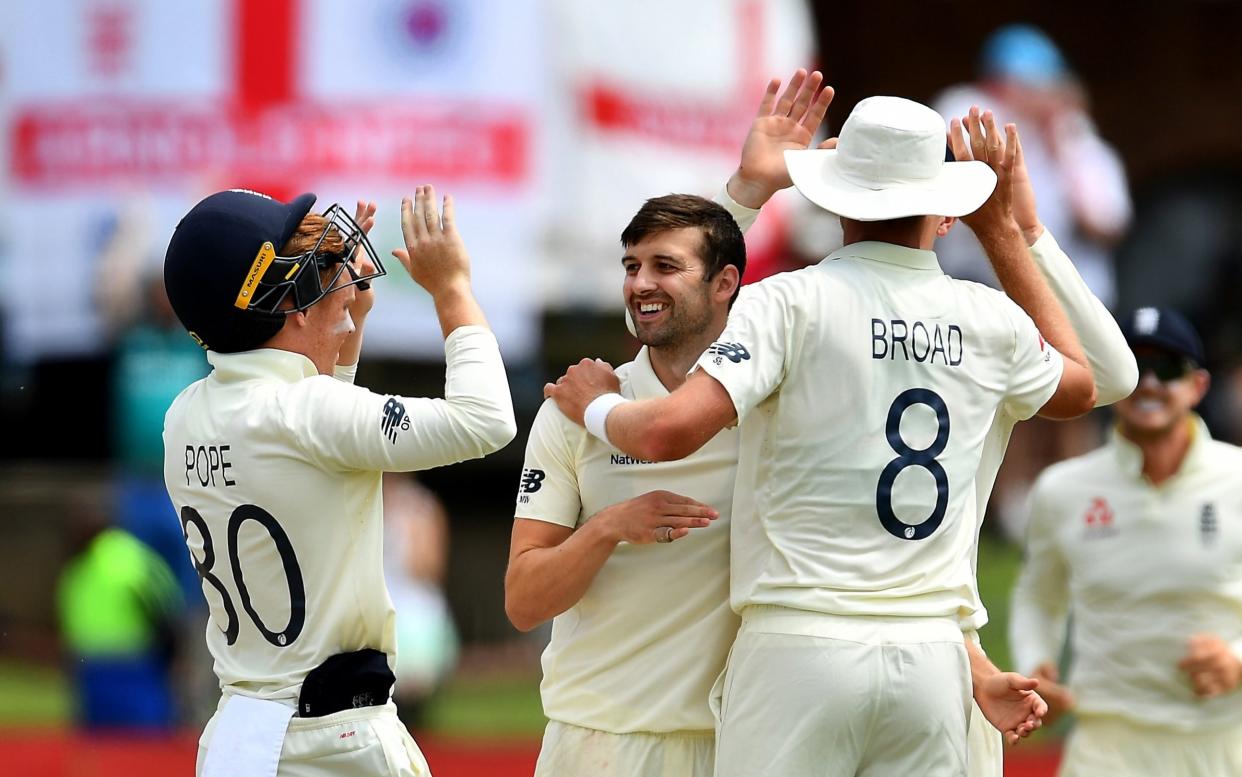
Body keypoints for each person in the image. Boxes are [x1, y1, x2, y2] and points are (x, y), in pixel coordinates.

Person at [546, 94, 1099, 776]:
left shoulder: (790, 300)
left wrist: (596, 406)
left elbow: (668, 430)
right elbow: (1083, 383)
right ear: (939, 208)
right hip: (932, 655)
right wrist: (1004, 233)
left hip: (800, 644)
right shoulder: (989, 319)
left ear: (838, 201)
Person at [162, 186, 516, 777]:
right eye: (313, 274)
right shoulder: (304, 414)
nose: (339, 285)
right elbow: (486, 421)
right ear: (288, 301)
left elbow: (318, 458)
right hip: (333, 739)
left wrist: (348, 322)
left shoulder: (186, 416)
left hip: (236, 737)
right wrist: (453, 288)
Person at [1010, 308, 1242, 776]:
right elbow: (1038, 595)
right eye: (1135, 368)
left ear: (1197, 386)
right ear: (1110, 380)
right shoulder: (1063, 489)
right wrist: (1039, 668)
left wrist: (1237, 660)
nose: (1151, 384)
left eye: (1169, 368)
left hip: (1225, 740)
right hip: (1107, 746)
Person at [57, 499, 184, 729]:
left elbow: (163, 611)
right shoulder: (81, 564)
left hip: (134, 669)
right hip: (93, 669)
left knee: (140, 743)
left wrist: (171, 655)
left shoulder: (126, 558)